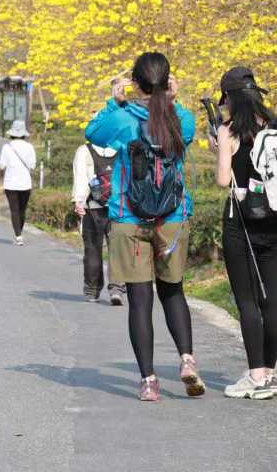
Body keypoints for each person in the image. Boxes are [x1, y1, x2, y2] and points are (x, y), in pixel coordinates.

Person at [86, 52, 204, 402]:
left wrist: (115, 100)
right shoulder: (181, 119)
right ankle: (187, 359)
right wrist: (173, 100)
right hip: (172, 218)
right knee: (173, 291)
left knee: (140, 300)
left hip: (130, 218)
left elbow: (93, 133)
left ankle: (149, 381)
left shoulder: (122, 120)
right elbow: (186, 132)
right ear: (167, 82)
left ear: (135, 83)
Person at [210, 67, 277, 401]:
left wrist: (219, 150)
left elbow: (223, 180)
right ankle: (269, 373)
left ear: (229, 98)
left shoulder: (229, 131)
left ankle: (256, 377)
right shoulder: (275, 127)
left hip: (240, 222)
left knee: (247, 300)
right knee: (271, 300)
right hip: (271, 219)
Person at [73, 141, 124, 304]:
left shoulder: (84, 150)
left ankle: (92, 290)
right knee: (117, 249)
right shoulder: (122, 147)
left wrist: (79, 201)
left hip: (93, 208)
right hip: (118, 208)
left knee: (92, 249)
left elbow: (81, 178)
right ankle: (117, 289)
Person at [0, 120, 36, 246]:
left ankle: (18, 236)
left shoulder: (7, 147)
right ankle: (19, 232)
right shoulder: (29, 147)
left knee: (14, 210)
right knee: (22, 210)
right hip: (25, 183)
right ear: (24, 133)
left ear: (12, 133)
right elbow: (33, 165)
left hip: (10, 183)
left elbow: (2, 165)